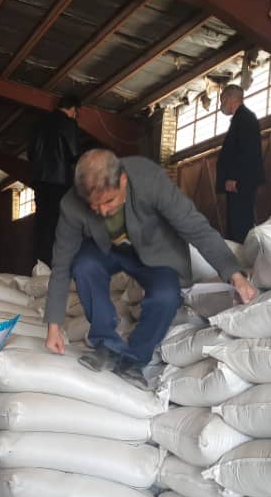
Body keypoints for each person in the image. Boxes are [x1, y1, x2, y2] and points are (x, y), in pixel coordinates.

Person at [45, 149, 258, 384]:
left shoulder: (148, 178)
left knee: (166, 296)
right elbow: (61, 263)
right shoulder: (71, 204)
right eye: (94, 206)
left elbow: (195, 227)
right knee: (83, 265)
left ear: (123, 181)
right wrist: (54, 326)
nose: (103, 211)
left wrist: (235, 275)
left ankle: (135, 358)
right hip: (106, 251)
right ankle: (106, 344)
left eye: (109, 201)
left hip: (155, 251)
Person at [27, 93, 82, 266]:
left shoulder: (39, 123)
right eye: (76, 112)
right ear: (73, 109)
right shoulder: (69, 124)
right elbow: (74, 153)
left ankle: (39, 263)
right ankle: (55, 264)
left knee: (41, 221)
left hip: (40, 181)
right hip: (59, 181)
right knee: (57, 222)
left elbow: (31, 153)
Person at [216, 84, 265, 243]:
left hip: (240, 182)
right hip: (239, 182)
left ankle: (242, 255)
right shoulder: (241, 119)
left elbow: (247, 151)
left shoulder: (245, 118)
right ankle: (239, 253)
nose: (221, 104)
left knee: (239, 224)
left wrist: (234, 178)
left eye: (222, 100)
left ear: (230, 98)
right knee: (236, 223)